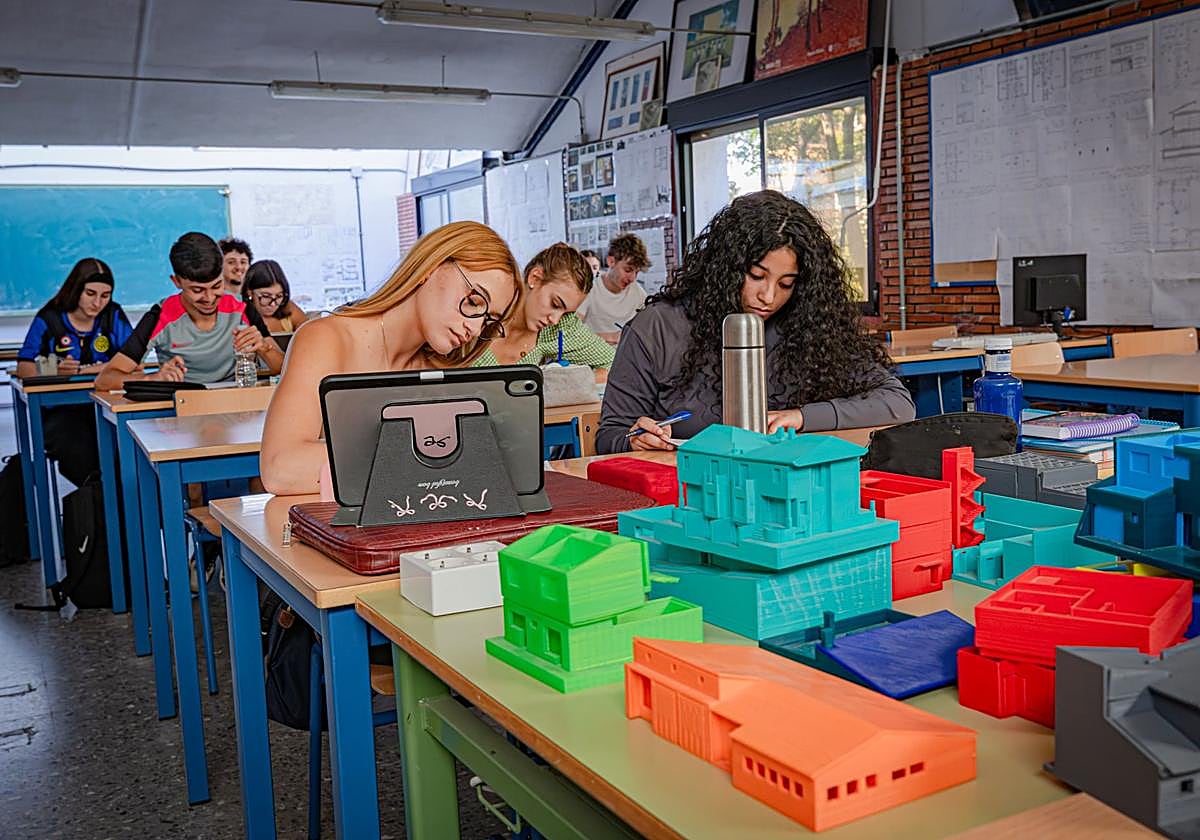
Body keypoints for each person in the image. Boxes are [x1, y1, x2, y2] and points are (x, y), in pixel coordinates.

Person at [596, 191, 915, 454]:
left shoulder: (809, 328)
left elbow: (897, 403)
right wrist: (635, 439)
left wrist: (802, 418)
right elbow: (610, 435)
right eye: (757, 276)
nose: (769, 296)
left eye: (786, 284)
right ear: (726, 267)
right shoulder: (658, 328)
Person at [260, 221, 523, 496]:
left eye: (489, 320)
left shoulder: (439, 368)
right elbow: (281, 468)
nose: (475, 328)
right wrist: (428, 461)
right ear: (430, 268)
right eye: (474, 301)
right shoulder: (327, 339)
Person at [95, 232, 282, 391]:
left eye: (217, 286)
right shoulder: (161, 316)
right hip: (182, 408)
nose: (209, 298)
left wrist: (264, 348)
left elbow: (282, 368)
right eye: (197, 290)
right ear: (176, 282)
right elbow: (105, 379)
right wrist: (152, 379)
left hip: (235, 403)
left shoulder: (242, 307)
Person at [15, 258, 134, 485]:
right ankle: (94, 508)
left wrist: (95, 369)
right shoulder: (49, 317)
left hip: (102, 406)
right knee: (82, 455)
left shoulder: (113, 315)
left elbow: (134, 360)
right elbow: (23, 367)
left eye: (105, 295)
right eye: (90, 293)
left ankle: (115, 509)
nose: (98, 303)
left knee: (124, 448)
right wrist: (53, 371)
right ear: (76, 289)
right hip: (61, 411)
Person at [472, 243, 614, 369]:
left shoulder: (558, 329)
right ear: (535, 278)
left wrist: (566, 384)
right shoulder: (480, 307)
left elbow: (615, 364)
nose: (555, 320)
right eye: (555, 304)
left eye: (566, 313)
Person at [576, 233, 650, 333]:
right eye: (628, 270)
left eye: (636, 272)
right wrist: (611, 337)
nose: (632, 278)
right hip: (595, 348)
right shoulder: (590, 289)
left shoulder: (638, 293)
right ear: (611, 261)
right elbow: (572, 332)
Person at [242, 259, 309, 333]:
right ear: (249, 292)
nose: (273, 304)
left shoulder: (288, 309)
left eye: (279, 296)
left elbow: (310, 332)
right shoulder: (237, 314)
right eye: (266, 296)